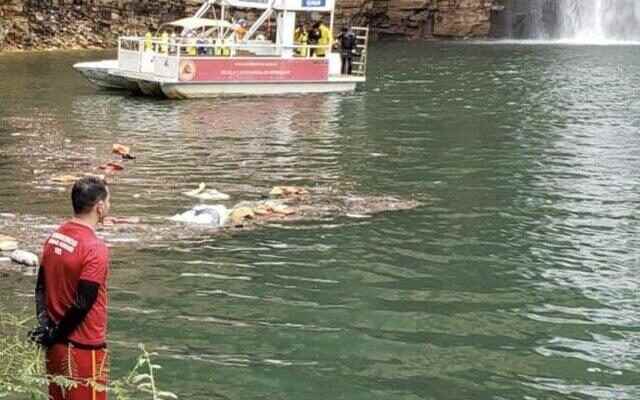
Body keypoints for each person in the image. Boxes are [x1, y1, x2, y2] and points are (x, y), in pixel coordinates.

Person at [31, 176, 111, 400]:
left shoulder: (54, 237)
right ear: (100, 206)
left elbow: (40, 287)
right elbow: (83, 302)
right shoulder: (95, 248)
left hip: (55, 346)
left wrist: (47, 328)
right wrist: (56, 334)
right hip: (84, 349)